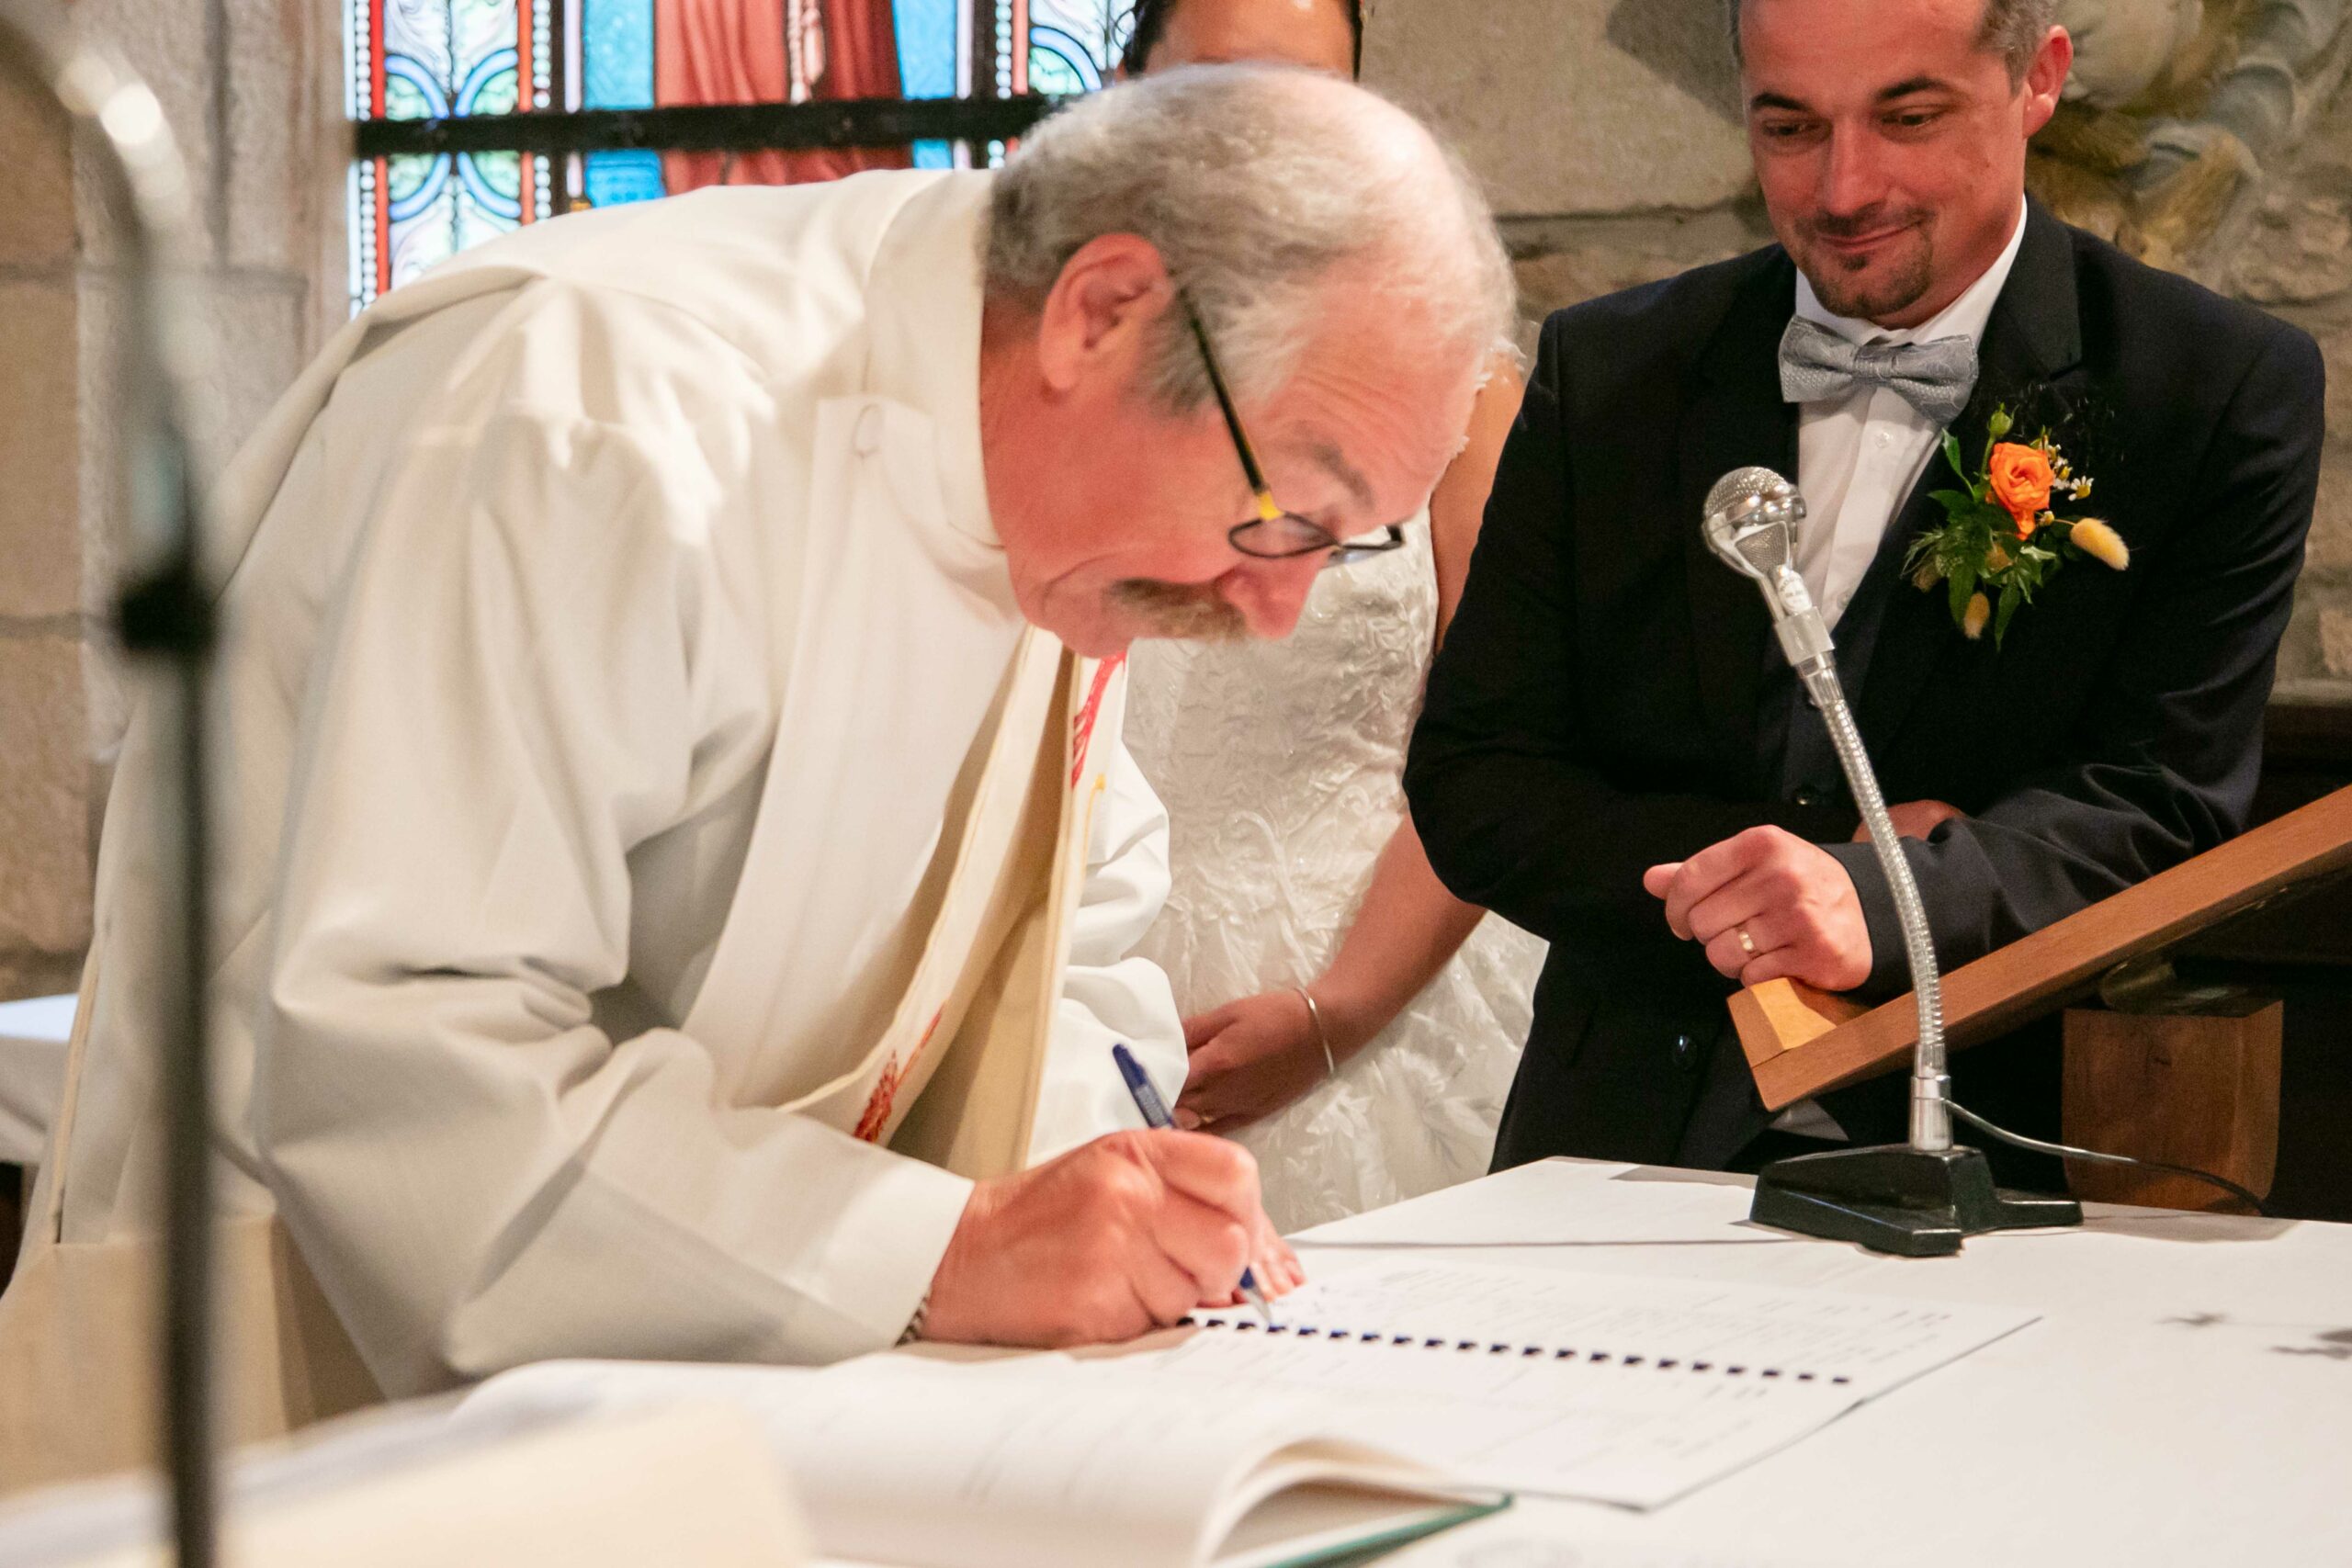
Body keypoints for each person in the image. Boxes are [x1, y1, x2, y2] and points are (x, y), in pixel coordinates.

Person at [31, 66, 1515, 1398]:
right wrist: (950, 1250)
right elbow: (410, 1057)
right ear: (1101, 312)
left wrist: (1110, 1199)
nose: (1276, 609)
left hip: (764, 1379)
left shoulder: (1064, 510)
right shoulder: (593, 416)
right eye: (1288, 515)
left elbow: (1071, 936)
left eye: (1345, 545)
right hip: (318, 1364)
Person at [1407, 0, 2324, 1183]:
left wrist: (1891, 907)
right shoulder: (1612, 369)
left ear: (2038, 79)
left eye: (1908, 118)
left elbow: (2165, 799)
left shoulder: (2212, 386)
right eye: (1790, 127)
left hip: (2002, 1149)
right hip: (1616, 1140)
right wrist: (1811, 865)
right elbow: (1477, 777)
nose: (1843, 190)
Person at [1116, 0, 1547, 1234]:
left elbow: (1502, 739)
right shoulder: (1043, 359)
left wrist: (1337, 1013)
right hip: (1081, 987)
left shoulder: (1460, 384)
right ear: (1129, 91)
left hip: (1376, 999)